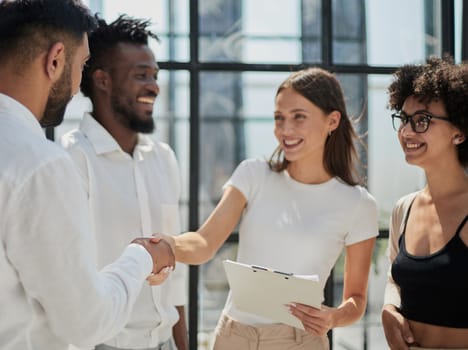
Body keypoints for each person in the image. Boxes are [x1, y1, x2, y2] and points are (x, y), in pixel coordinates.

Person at [153, 67, 378, 349]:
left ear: (332, 120)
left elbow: (356, 300)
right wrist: (167, 245)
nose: (285, 130)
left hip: (299, 340)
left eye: (299, 117)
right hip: (233, 336)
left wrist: (332, 317)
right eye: (279, 118)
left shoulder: (357, 204)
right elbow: (204, 243)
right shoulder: (253, 175)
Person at [0, 1, 174, 350]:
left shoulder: (163, 158)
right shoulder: (44, 164)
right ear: (55, 59)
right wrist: (142, 256)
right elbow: (85, 324)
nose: (77, 82)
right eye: (80, 65)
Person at [61, 15, 188, 350]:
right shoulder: (73, 159)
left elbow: (176, 269)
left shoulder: (164, 158)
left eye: (155, 76)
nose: (154, 86)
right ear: (103, 81)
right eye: (141, 75)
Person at [381, 56, 468, 350]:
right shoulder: (403, 209)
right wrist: (389, 308)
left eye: (422, 121)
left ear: (459, 131)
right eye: (403, 119)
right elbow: (396, 280)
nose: (406, 132)